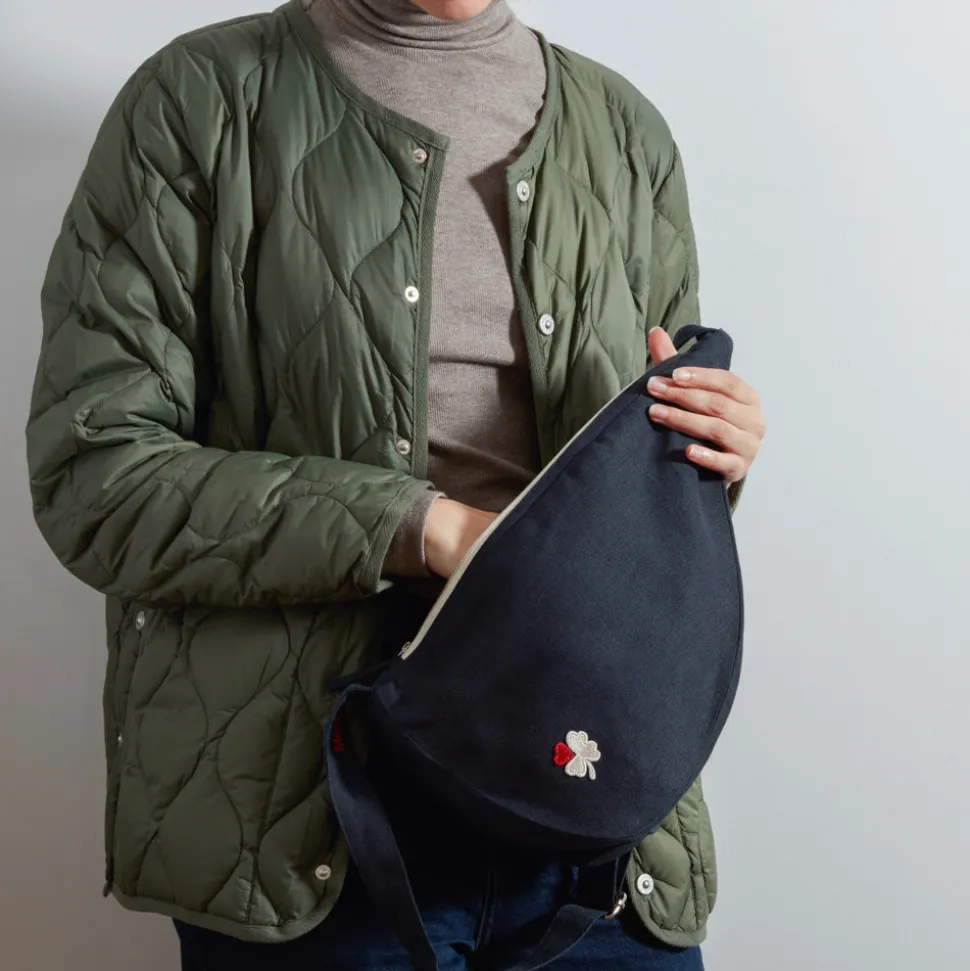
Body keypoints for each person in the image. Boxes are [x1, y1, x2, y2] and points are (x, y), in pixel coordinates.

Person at [26, 0, 766, 968]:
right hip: (309, 829)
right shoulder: (198, 102)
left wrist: (706, 453)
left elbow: (640, 494)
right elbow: (95, 475)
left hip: (600, 830)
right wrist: (424, 528)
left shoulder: (626, 134)